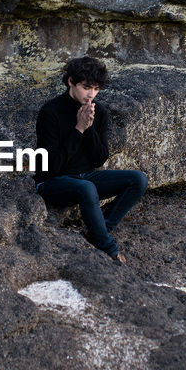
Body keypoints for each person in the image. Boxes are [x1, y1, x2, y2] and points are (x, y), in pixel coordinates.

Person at [34, 56, 148, 264]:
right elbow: (50, 167)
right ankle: (107, 246)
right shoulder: (50, 112)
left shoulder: (99, 111)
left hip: (86, 176)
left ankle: (101, 228)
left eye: (96, 89)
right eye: (86, 87)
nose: (91, 94)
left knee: (138, 179)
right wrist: (78, 129)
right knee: (86, 187)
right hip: (52, 181)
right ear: (71, 81)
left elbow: (98, 159)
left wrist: (89, 129)